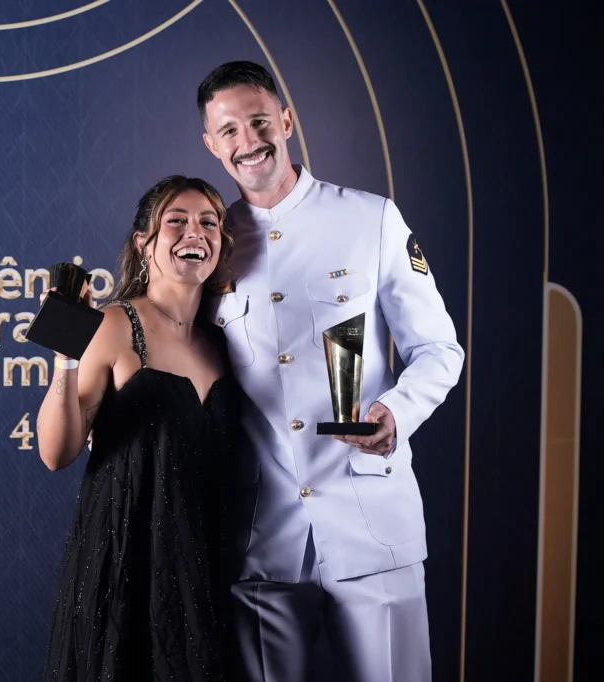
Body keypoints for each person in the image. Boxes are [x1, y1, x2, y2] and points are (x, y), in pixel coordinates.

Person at [194, 61, 465, 682]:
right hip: (258, 537)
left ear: (286, 121)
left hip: (372, 520)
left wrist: (395, 412)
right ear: (211, 144)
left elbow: (439, 348)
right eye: (228, 130)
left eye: (259, 121)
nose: (248, 141)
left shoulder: (371, 219)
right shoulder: (211, 243)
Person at [37, 175, 246, 681]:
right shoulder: (114, 324)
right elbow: (56, 452)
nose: (194, 232)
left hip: (205, 567)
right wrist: (66, 355)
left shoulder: (225, 340)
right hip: (125, 564)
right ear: (143, 244)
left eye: (209, 222)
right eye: (176, 221)